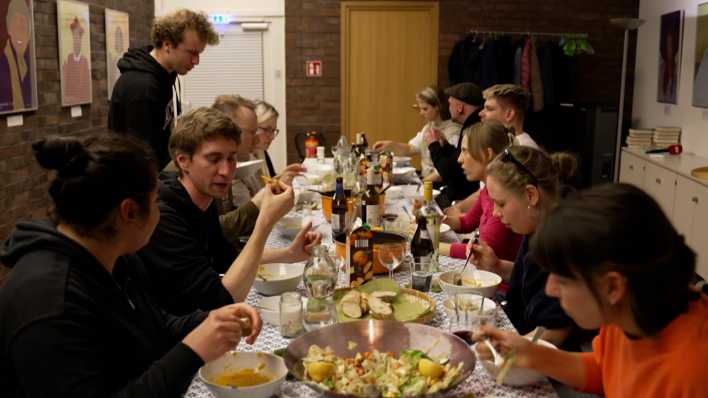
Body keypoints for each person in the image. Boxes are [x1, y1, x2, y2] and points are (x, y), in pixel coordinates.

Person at [0, 132, 262, 397]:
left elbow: (152, 325)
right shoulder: (51, 303)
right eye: (155, 200)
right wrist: (192, 352)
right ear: (130, 212)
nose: (160, 212)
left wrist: (210, 321)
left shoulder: (115, 256)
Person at [476, 183, 708, 397]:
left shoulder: (691, 375)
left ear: (613, 286)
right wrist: (532, 354)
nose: (550, 289)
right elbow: (605, 368)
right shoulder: (626, 311)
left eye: (562, 280)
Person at [138, 107, 320, 315]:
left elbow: (227, 259)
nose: (226, 171)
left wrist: (288, 255)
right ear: (183, 161)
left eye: (231, 158)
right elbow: (221, 301)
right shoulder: (163, 214)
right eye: (214, 159)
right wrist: (265, 221)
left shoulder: (203, 196)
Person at [469, 145, 575, 346]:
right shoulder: (537, 219)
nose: (495, 214)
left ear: (531, 195)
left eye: (500, 204)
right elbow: (532, 277)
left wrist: (500, 351)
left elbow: (554, 332)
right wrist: (497, 266)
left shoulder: (562, 241)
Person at [108, 9, 219, 170]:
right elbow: (140, 157)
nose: (196, 61)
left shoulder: (163, 77)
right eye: (192, 53)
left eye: (199, 53)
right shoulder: (142, 87)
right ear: (167, 45)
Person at [439, 122, 522, 262]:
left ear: (487, 154)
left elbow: (482, 250)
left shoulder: (503, 198)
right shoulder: (486, 190)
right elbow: (466, 222)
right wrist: (435, 219)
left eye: (465, 150)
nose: (459, 159)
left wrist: (432, 246)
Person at [373, 86, 460, 182]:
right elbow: (411, 148)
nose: (421, 113)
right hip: (426, 180)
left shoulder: (453, 132)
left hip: (438, 185)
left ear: (437, 107)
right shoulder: (429, 127)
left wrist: (421, 183)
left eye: (425, 109)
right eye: (420, 109)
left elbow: (444, 172)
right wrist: (390, 145)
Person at [424, 82, 483, 208]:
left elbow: (448, 171)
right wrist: (445, 145)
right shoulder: (470, 123)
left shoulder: (474, 127)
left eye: (450, 104)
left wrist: (434, 145)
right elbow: (456, 160)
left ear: (460, 107)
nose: (448, 108)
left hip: (463, 199)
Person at [479, 84, 539, 149]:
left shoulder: (524, 150)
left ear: (509, 114)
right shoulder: (499, 144)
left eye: (489, 109)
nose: (480, 113)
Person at [0, 0, 34, 113]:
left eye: (24, 28)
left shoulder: (30, 67)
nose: (21, 34)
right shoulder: (2, 64)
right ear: (9, 30)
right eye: (16, 27)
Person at [62, 16, 91, 105]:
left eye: (78, 37)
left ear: (81, 39)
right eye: (74, 37)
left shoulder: (85, 62)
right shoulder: (68, 60)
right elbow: (66, 85)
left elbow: (87, 87)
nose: (76, 40)